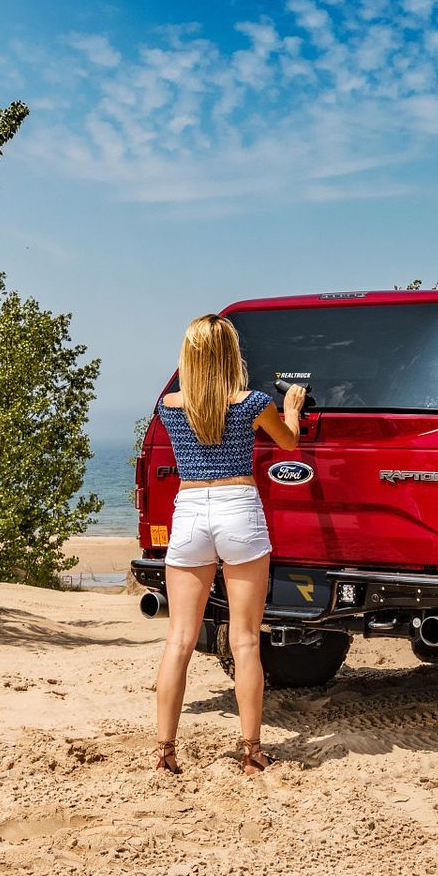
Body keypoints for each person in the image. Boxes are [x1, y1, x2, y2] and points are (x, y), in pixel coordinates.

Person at [151, 313, 306, 776]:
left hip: (191, 511)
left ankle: (165, 754)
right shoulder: (253, 402)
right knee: (244, 641)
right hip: (239, 509)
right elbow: (290, 445)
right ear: (229, 354)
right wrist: (293, 407)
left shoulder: (169, 406)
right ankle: (252, 753)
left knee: (178, 640)